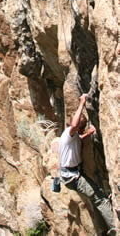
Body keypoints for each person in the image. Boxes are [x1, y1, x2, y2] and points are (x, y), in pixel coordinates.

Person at [59, 94, 116, 235]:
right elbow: (74, 125)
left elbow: (78, 137)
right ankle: (116, 227)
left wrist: (88, 133)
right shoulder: (69, 133)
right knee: (99, 198)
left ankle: (102, 229)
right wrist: (82, 103)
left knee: (94, 198)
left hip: (72, 175)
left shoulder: (74, 136)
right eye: (81, 128)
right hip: (73, 176)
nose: (81, 130)